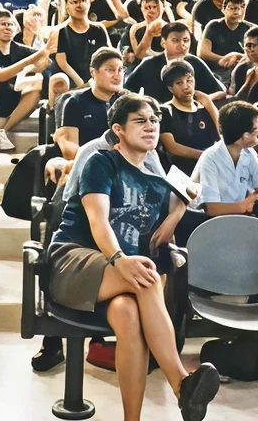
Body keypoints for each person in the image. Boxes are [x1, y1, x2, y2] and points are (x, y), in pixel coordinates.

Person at [47, 93, 221, 421]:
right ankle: (181, 384)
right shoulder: (102, 162)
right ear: (119, 129)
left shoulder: (156, 180)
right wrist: (118, 258)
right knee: (146, 275)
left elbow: (178, 204)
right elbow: (98, 220)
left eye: (154, 120)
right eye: (140, 121)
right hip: (74, 259)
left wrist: (177, 210)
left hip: (118, 276)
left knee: (128, 315)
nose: (150, 126)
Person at [191, 100, 258, 226]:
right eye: (256, 128)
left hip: (239, 218)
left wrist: (255, 199)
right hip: (211, 223)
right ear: (245, 135)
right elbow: (212, 208)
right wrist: (244, 206)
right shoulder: (210, 158)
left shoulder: (248, 153)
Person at [0, 10, 52, 150]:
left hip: (11, 102)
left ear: (16, 29)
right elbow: (0, 75)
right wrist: (32, 59)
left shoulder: (21, 50)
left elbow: (46, 59)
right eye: (3, 24)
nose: (8, 28)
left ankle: (2, 131)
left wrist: (39, 64)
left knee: (35, 90)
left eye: (11, 24)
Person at [55, 47, 125, 159]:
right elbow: (69, 149)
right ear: (93, 72)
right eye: (110, 70)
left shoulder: (126, 103)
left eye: (120, 70)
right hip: (87, 163)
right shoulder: (75, 102)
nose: (117, 76)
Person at [158, 62, 220, 176]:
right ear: (170, 88)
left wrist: (209, 103)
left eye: (189, 80)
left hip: (210, 167)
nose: (186, 86)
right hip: (181, 171)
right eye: (179, 83)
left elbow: (222, 133)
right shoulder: (166, 111)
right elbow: (172, 147)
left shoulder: (204, 107)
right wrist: (204, 156)